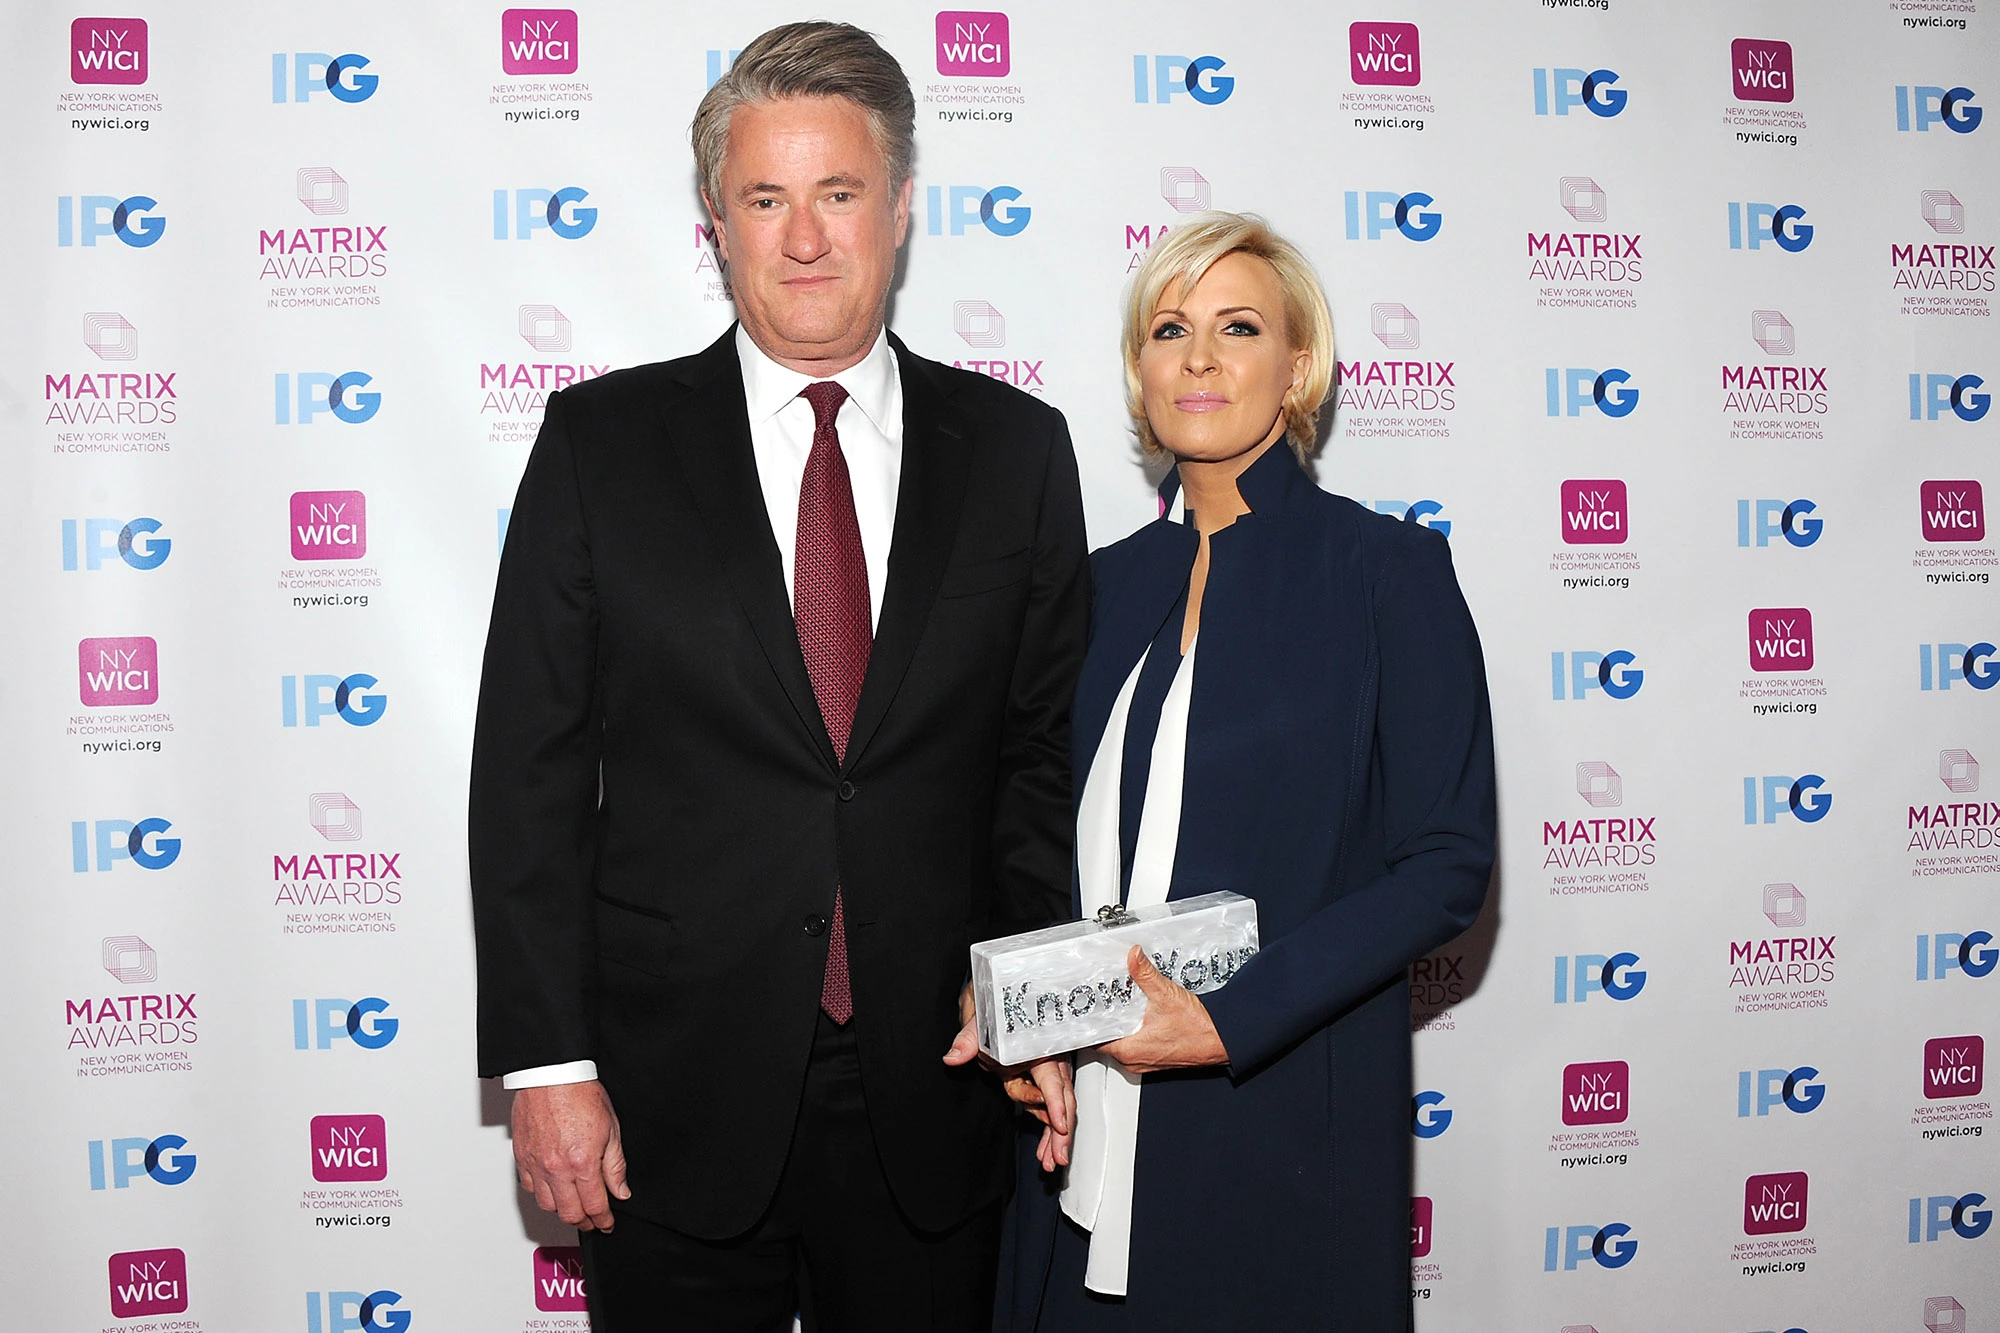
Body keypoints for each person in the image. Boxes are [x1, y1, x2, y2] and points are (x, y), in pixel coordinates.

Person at [468, 21, 1086, 1331]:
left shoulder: (1017, 451)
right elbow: (527, 774)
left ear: (900, 211)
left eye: (839, 193)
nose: (805, 239)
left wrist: (1035, 1004)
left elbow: (1037, 767)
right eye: (765, 200)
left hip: (939, 1089)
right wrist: (547, 1063)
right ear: (716, 226)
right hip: (666, 1099)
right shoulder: (599, 444)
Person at [996, 213, 1496, 1330]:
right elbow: (1042, 834)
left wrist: (1229, 1018)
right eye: (1170, 330)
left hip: (1277, 1107)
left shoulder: (1386, 571)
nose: (1200, 358)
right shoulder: (1096, 587)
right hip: (1080, 1122)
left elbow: (1445, 862)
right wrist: (1029, 1027)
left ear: (1298, 367)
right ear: (1140, 370)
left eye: (1238, 327)